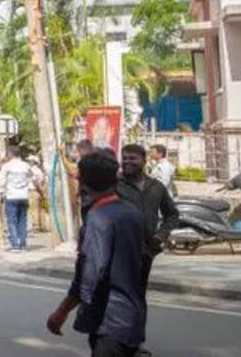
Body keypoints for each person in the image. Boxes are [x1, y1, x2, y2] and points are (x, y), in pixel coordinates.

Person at [46, 150, 146, 357]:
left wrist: (62, 311)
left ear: (83, 181)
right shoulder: (132, 212)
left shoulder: (98, 218)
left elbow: (90, 275)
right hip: (132, 314)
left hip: (109, 319)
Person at [119, 143, 179, 296]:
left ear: (144, 160)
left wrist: (161, 235)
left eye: (132, 158)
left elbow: (172, 214)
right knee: (120, 294)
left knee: (139, 293)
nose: (127, 162)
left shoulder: (156, 187)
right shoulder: (114, 186)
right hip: (119, 251)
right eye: (124, 158)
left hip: (146, 252)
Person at [0, 145, 38, 251]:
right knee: (22, 221)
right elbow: (33, 177)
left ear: (10, 154)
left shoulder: (7, 166)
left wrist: (1, 194)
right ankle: (23, 244)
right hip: (24, 196)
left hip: (11, 196)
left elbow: (2, 181)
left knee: (12, 221)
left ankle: (15, 245)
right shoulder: (26, 166)